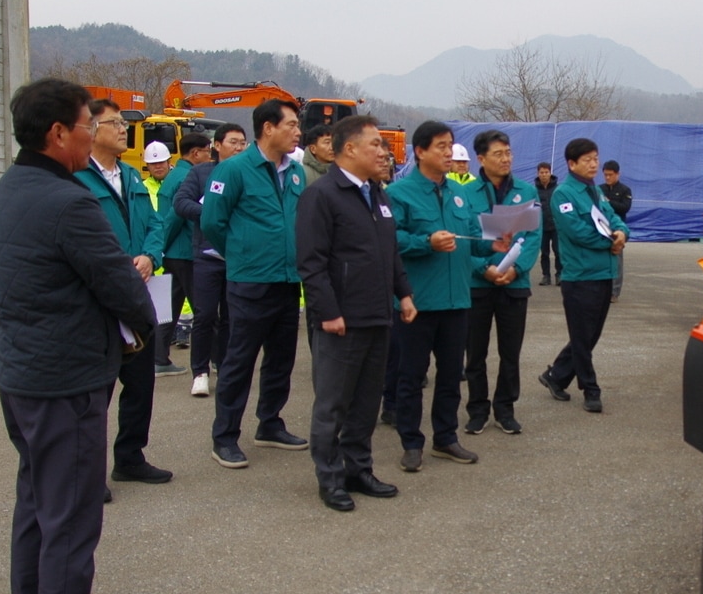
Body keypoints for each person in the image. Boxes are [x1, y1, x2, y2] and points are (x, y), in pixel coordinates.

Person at [0, 78, 154, 594]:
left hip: (25, 375)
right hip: (65, 379)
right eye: (89, 124)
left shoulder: (12, 188)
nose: (94, 134)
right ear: (59, 133)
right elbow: (119, 285)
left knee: (38, 500)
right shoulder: (69, 201)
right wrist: (141, 331)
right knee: (72, 513)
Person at [297, 115, 416, 512]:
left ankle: (358, 469)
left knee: (366, 403)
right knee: (333, 404)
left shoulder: (377, 194)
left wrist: (404, 294)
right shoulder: (323, 195)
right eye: (377, 144)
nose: (384, 152)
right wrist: (328, 312)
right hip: (340, 321)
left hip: (377, 315)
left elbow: (389, 252)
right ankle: (330, 479)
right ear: (349, 149)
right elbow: (311, 263)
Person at [386, 121, 506, 472]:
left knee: (452, 374)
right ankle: (411, 442)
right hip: (418, 302)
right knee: (410, 376)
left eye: (451, 145)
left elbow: (472, 237)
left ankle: (445, 437)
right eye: (440, 146)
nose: (448, 152)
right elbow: (391, 242)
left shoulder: (458, 192)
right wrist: (426, 243)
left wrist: (495, 245)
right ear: (420, 151)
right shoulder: (400, 193)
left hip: (457, 301)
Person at [73, 99, 176, 488]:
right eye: (114, 123)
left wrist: (150, 255)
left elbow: (155, 223)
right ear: (90, 130)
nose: (123, 129)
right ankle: (88, 475)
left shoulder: (131, 177)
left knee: (140, 384)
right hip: (100, 300)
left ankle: (130, 457)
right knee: (95, 393)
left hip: (138, 296)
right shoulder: (77, 178)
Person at [201, 99, 308, 468]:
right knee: (240, 359)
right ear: (268, 128)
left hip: (287, 279)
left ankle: (270, 423)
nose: (298, 132)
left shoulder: (296, 172)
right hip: (249, 282)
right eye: (292, 125)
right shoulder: (233, 170)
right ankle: (225, 436)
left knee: (281, 358)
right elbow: (212, 223)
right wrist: (241, 254)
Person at [538, 138, 628, 413]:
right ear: (572, 163)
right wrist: (610, 243)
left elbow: (613, 217)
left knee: (589, 335)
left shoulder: (597, 192)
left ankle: (556, 377)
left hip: (604, 273)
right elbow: (576, 231)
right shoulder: (563, 194)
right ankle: (590, 388)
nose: (593, 164)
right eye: (587, 159)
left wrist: (622, 232)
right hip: (579, 276)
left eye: (595, 158)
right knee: (582, 335)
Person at [463, 130, 542, 436]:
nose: (506, 158)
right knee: (476, 352)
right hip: (478, 284)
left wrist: (517, 269)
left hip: (514, 284)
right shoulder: (466, 194)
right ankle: (478, 409)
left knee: (511, 351)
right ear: (480, 158)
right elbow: (464, 241)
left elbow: (533, 237)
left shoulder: (525, 192)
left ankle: (505, 409)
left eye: (508, 153)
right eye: (498, 154)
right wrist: (483, 268)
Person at [174, 124, 245, 398]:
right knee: (204, 315)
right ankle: (199, 372)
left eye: (242, 143)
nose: (239, 148)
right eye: (233, 142)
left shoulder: (249, 175)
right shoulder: (201, 172)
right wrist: (210, 212)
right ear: (217, 145)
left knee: (230, 316)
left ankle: (224, 366)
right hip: (206, 257)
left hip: (237, 257)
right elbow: (181, 203)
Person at [152, 133, 210, 374]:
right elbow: (175, 216)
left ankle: (159, 358)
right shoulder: (188, 176)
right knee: (204, 309)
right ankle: (215, 359)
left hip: (174, 253)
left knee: (170, 307)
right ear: (195, 153)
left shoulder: (174, 174)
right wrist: (161, 245)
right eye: (207, 151)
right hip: (185, 251)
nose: (210, 155)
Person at [600, 160, 632, 302]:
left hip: (618, 230)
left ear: (617, 174)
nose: (607, 178)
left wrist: (608, 202)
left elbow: (624, 208)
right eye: (605, 175)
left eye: (610, 175)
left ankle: (614, 292)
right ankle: (602, 290)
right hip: (602, 229)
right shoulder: (599, 189)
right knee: (601, 260)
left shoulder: (625, 190)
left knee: (617, 261)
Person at [535, 162, 560, 286]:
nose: (544, 175)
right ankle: (546, 275)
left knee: (558, 251)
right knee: (544, 253)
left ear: (550, 173)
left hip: (556, 226)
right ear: (538, 174)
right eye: (541, 172)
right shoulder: (534, 191)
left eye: (546, 172)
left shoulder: (558, 189)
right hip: (542, 226)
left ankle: (559, 275)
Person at [141, 142, 170, 208]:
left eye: (161, 162)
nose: (158, 166)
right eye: (153, 163)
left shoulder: (179, 184)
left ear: (169, 163)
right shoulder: (141, 188)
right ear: (147, 166)